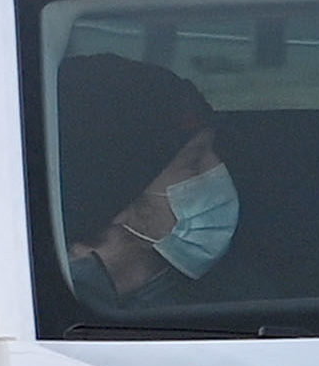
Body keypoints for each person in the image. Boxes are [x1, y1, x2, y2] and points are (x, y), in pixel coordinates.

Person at [49, 54, 239, 316]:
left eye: (214, 151)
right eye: (193, 163)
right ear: (117, 201)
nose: (218, 171)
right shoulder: (54, 314)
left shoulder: (226, 294)